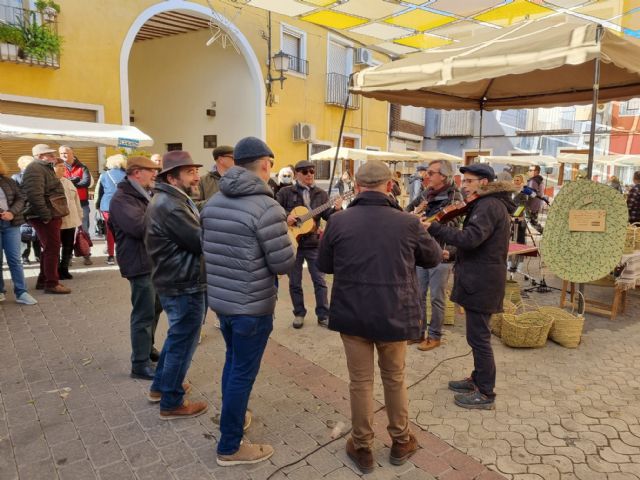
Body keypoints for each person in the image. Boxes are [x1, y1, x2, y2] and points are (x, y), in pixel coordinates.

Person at [317, 161, 442, 474]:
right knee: (394, 378)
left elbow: (324, 265)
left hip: (353, 314)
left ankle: (362, 447)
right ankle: (401, 440)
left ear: (357, 187)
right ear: (390, 186)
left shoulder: (338, 221)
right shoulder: (408, 222)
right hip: (393, 314)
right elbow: (432, 258)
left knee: (360, 382)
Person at [202, 136, 295, 466]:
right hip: (252, 307)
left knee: (233, 363)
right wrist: (292, 241)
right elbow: (283, 263)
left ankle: (235, 417)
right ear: (266, 165)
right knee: (242, 372)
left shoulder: (213, 202)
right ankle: (230, 446)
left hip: (223, 302)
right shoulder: (267, 207)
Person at [424, 164, 516, 410]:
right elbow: (482, 244)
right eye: (463, 181)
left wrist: (435, 227)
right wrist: (452, 253)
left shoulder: (489, 205)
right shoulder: (488, 204)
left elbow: (471, 239)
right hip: (480, 278)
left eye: (468, 181)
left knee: (480, 339)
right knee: (476, 337)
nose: (463, 186)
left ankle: (485, 392)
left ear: (484, 182)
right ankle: (477, 378)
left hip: (482, 281)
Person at [144, 150, 208, 419]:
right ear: (172, 177)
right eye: (190, 172)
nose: (197, 177)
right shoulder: (170, 205)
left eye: (196, 171)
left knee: (177, 337)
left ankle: (161, 387)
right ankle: (171, 402)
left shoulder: (172, 199)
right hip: (184, 282)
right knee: (183, 342)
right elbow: (199, 241)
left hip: (178, 279)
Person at [108, 156, 163, 381]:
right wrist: (164, 218)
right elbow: (140, 228)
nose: (155, 174)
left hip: (151, 260)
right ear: (137, 172)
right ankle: (139, 364)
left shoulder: (143, 193)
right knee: (143, 313)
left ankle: (147, 349)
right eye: (151, 170)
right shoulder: (122, 198)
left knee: (155, 307)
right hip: (138, 262)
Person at [405, 159, 463, 351]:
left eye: (431, 173)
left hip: (441, 253)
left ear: (444, 176)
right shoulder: (426, 194)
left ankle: (435, 336)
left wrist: (428, 224)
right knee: (418, 295)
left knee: (436, 298)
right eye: (427, 172)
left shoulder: (455, 198)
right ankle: (418, 332)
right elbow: (406, 212)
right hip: (422, 252)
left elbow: (455, 227)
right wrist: (416, 212)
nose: (426, 176)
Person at [277, 160, 342, 328]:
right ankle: (299, 313)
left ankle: (323, 315)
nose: (309, 174)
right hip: (293, 242)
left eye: (312, 171)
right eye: (305, 172)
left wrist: (336, 209)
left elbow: (329, 217)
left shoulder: (321, 194)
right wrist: (287, 216)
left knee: (320, 281)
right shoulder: (285, 192)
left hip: (313, 244)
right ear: (296, 174)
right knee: (295, 282)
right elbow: (275, 210)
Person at [22, 144, 70, 294]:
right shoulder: (35, 168)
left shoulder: (42, 167)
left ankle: (43, 281)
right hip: (44, 215)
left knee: (49, 248)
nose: (53, 156)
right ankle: (51, 283)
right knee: (52, 249)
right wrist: (46, 216)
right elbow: (34, 196)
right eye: (49, 154)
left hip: (48, 214)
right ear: (39, 156)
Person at [0, 158, 38, 305]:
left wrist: (12, 212)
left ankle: (21, 292)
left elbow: (21, 198)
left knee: (15, 260)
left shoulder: (9, 181)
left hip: (11, 224)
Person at [59, 146, 93, 265]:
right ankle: (67, 257)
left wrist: (69, 183)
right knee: (67, 232)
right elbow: (59, 182)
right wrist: (75, 180)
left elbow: (86, 182)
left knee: (84, 229)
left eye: (66, 153)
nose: (63, 155)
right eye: (61, 153)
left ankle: (86, 254)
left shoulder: (82, 167)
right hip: (65, 204)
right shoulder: (59, 167)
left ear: (72, 154)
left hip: (82, 203)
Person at [53, 158, 83, 280]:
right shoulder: (50, 183)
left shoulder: (68, 182)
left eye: (63, 166)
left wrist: (80, 216)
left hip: (71, 219)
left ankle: (64, 269)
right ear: (52, 168)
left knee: (68, 245)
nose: (63, 168)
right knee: (55, 247)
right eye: (59, 166)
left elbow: (76, 200)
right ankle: (55, 271)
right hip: (57, 220)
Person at [96, 154, 126, 265]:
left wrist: (98, 205)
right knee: (123, 230)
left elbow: (100, 192)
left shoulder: (104, 175)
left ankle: (110, 256)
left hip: (107, 205)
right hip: (123, 206)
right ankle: (123, 254)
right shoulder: (127, 175)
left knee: (109, 231)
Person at [13, 155, 40, 265]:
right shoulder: (16, 177)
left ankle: (37, 255)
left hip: (35, 209)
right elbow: (14, 195)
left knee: (36, 233)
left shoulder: (38, 176)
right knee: (25, 234)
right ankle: (25, 256)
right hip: (24, 210)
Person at [508, 174, 529, 274]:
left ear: (522, 182)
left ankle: (519, 264)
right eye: (515, 180)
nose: (516, 182)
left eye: (518, 180)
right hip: (510, 220)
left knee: (520, 243)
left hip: (519, 221)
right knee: (510, 242)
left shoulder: (524, 193)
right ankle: (509, 263)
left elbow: (522, 207)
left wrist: (514, 216)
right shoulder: (510, 192)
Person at [525, 165, 544, 234]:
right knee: (533, 222)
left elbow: (532, 194)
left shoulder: (533, 181)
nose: (529, 172)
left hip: (532, 206)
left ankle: (545, 233)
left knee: (532, 222)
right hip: (537, 205)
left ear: (536, 171)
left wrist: (523, 190)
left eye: (530, 170)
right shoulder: (540, 180)